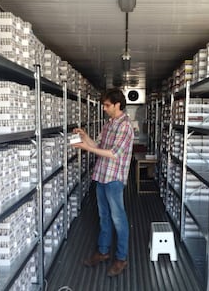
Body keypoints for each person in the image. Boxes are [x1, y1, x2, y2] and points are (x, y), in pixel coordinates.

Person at [71, 88, 134, 277]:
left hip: (114, 179)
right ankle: (103, 251)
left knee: (118, 219)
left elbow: (113, 153)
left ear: (117, 104)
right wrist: (84, 137)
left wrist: (85, 148)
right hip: (101, 175)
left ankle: (121, 258)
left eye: (107, 105)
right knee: (103, 216)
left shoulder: (125, 126)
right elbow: (98, 146)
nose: (104, 109)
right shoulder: (109, 124)